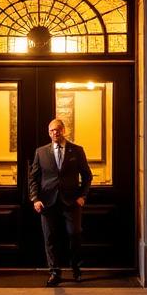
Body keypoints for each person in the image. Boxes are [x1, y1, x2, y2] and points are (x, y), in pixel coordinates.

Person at [28, 117, 92, 286]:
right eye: (51, 131)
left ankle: (76, 269)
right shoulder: (41, 152)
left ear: (64, 130)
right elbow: (33, 178)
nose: (54, 133)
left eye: (57, 130)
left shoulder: (77, 150)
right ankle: (54, 272)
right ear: (48, 133)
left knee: (75, 234)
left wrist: (82, 196)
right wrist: (35, 198)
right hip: (47, 203)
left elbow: (87, 175)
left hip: (72, 202)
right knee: (50, 238)